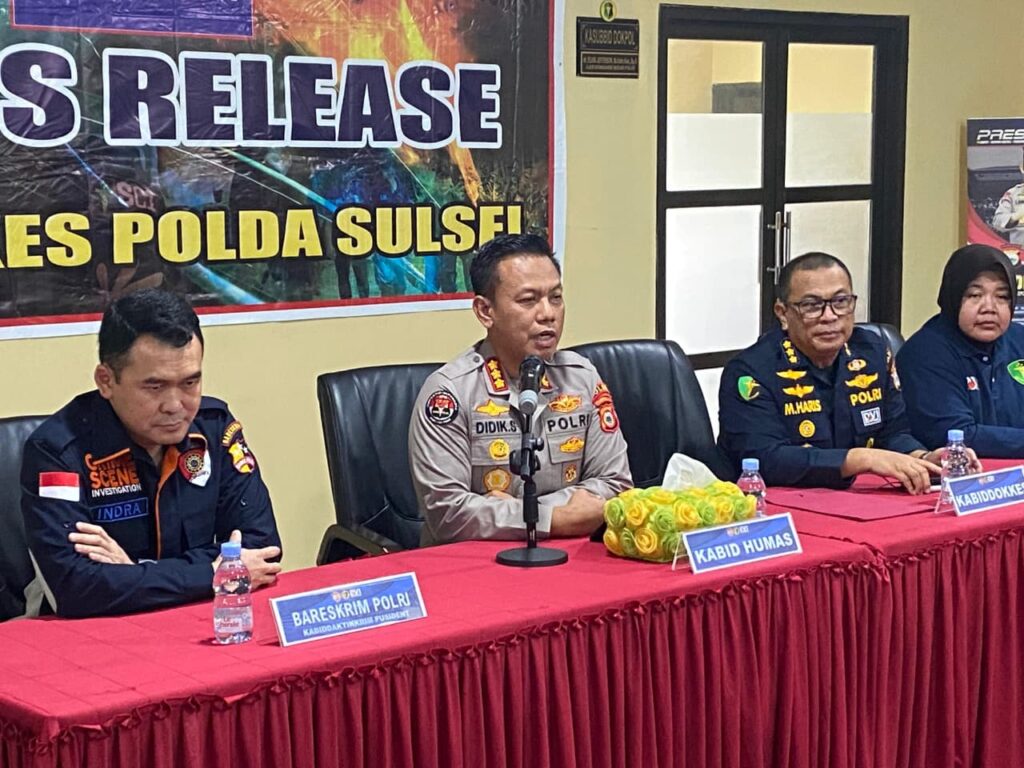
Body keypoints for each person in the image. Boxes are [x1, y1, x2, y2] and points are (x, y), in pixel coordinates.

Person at [21, 289, 282, 618]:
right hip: (92, 631)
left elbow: (262, 550)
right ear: (106, 381)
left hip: (199, 619)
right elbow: (74, 587)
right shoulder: (56, 451)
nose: (175, 406)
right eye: (155, 387)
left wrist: (133, 571)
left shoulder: (214, 429)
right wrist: (210, 573)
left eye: (190, 383)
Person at [409, 233, 633, 545]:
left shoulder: (581, 378)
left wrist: (520, 513)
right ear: (485, 311)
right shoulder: (450, 393)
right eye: (528, 300)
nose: (548, 313)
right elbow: (448, 513)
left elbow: (615, 483)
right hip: (476, 563)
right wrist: (556, 518)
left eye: (556, 297)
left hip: (571, 556)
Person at [718, 251, 978, 491]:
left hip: (858, 500)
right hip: (783, 505)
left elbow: (893, 433)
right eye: (811, 305)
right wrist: (859, 459)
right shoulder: (750, 372)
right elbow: (764, 459)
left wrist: (923, 458)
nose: (829, 316)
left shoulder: (872, 352)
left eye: (841, 301)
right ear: (783, 313)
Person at [898, 244, 1024, 456]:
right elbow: (956, 435)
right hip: (960, 472)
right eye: (975, 295)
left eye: (1002, 296)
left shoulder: (1018, 339)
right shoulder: (925, 352)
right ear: (953, 296)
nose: (989, 308)